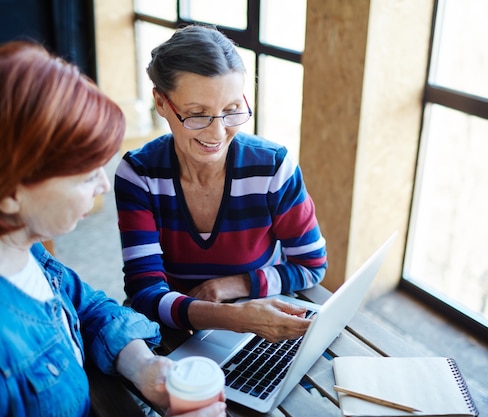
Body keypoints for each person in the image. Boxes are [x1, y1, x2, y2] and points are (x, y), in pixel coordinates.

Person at [0, 41, 226, 417]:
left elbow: (86, 307)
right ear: (10, 192)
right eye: (86, 176)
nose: (104, 186)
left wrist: (142, 365)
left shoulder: (27, 250)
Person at [114, 24, 327, 342]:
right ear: (161, 103)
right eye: (197, 114)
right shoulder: (138, 175)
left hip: (259, 313)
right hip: (176, 321)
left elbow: (311, 265)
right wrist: (234, 318)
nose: (217, 135)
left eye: (231, 110)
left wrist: (234, 285)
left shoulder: (273, 168)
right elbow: (144, 292)